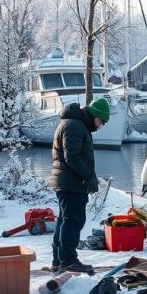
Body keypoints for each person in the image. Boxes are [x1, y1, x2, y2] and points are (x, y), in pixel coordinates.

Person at [50, 97, 110, 273]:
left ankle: (59, 260)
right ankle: (68, 260)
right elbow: (72, 157)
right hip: (71, 183)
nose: (100, 126)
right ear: (94, 115)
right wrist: (88, 177)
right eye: (101, 121)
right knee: (73, 221)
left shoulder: (74, 123)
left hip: (68, 181)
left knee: (65, 220)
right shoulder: (75, 125)